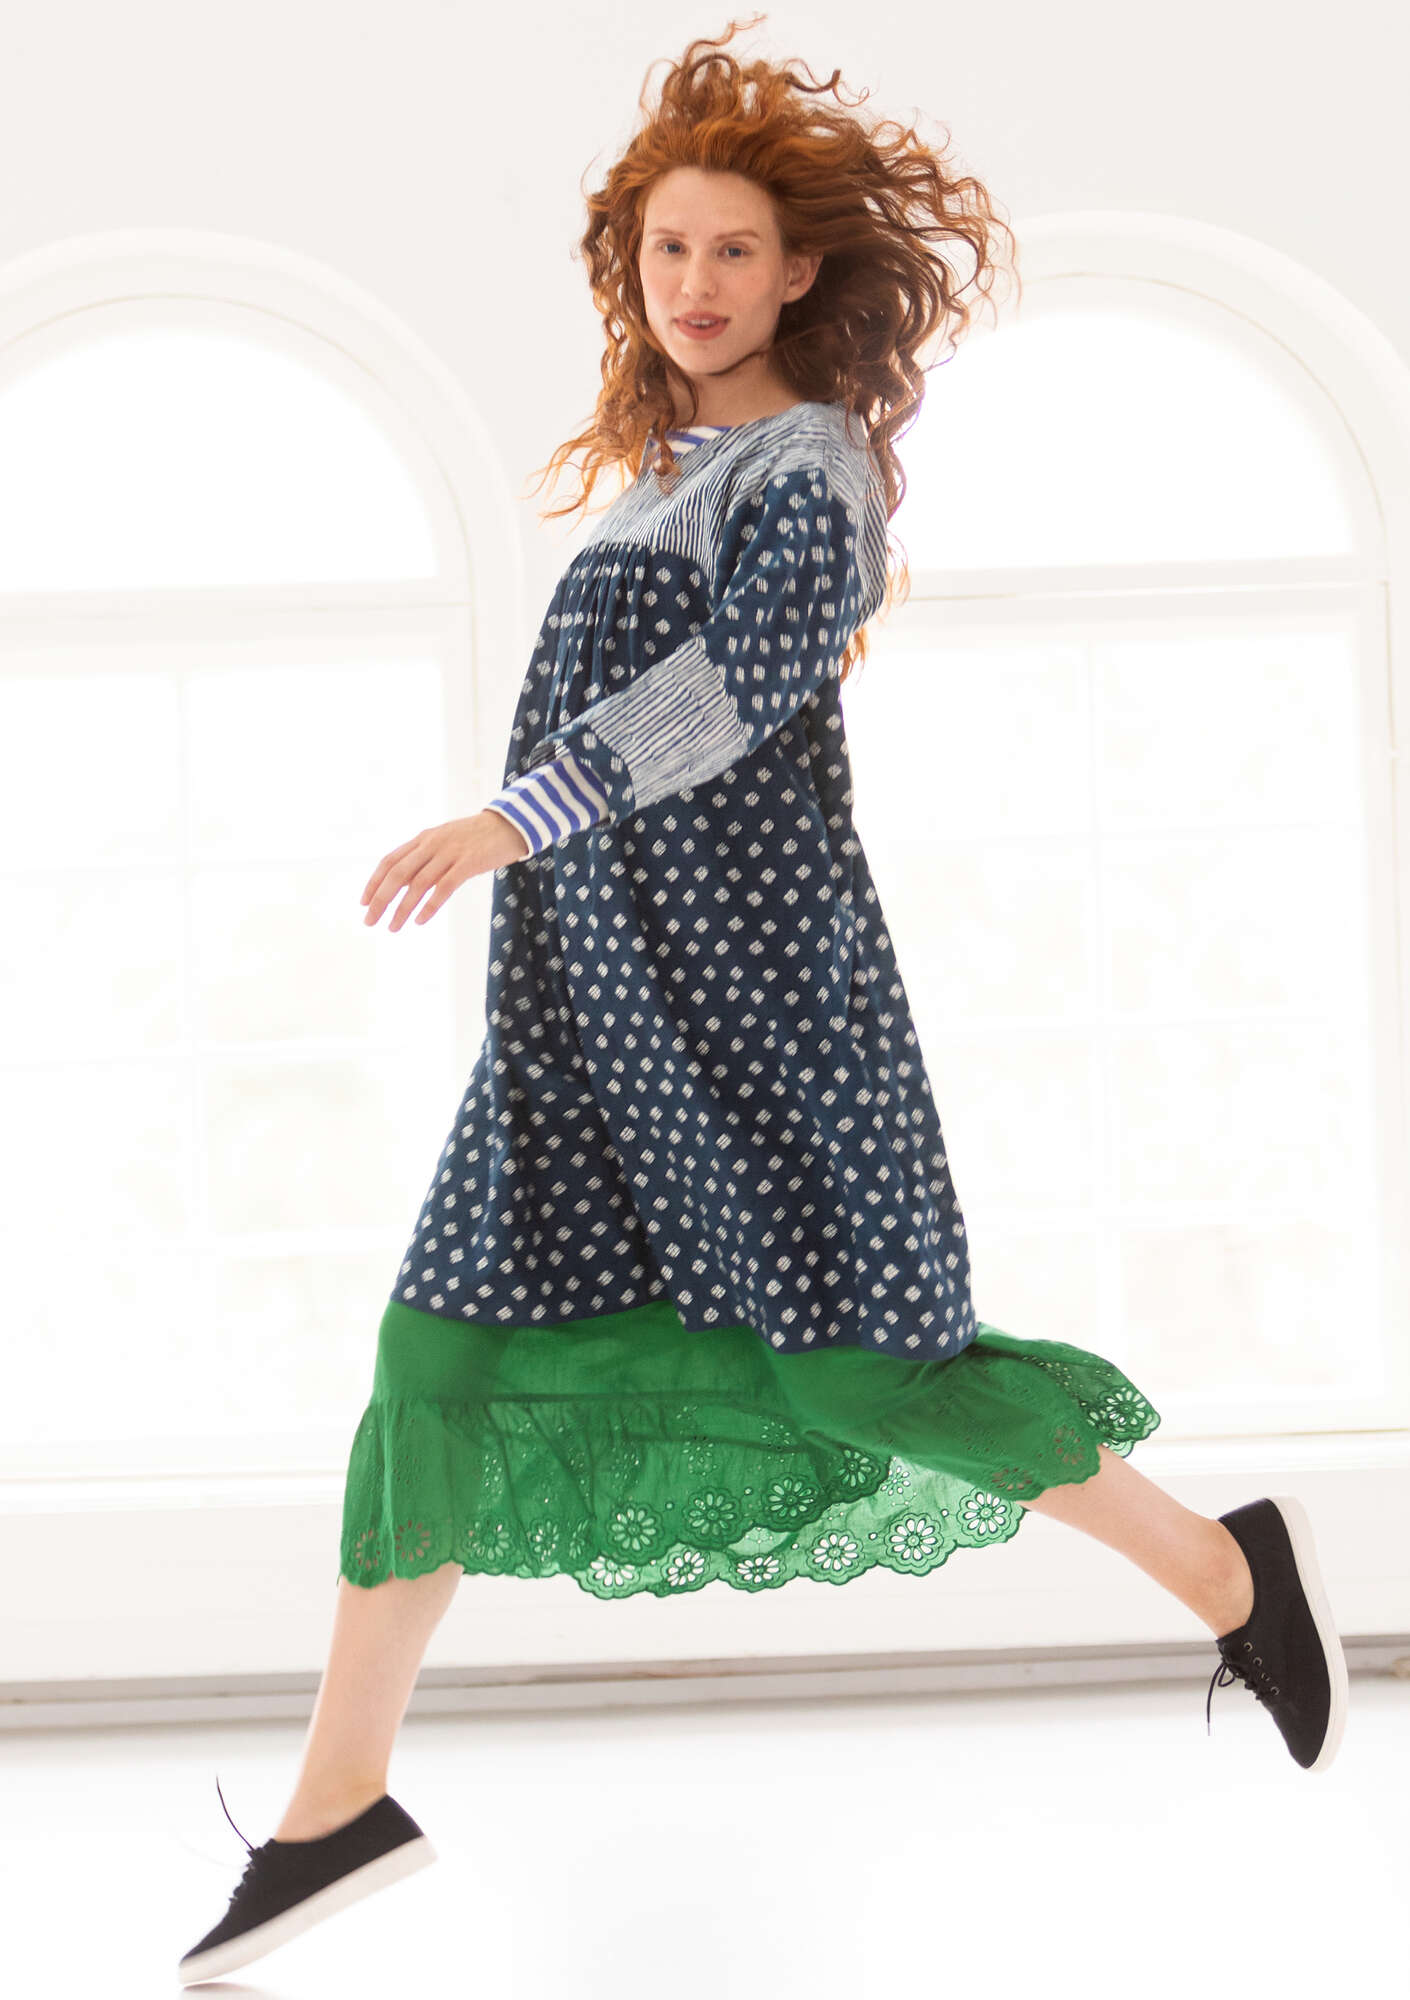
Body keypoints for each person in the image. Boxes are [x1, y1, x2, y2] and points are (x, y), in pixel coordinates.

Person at [178, 21, 1348, 1988]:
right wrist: (537, 890)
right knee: (433, 1360)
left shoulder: (811, 475)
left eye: (732, 250)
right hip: (588, 1022)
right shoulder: (666, 476)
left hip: (758, 1024)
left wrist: (505, 817)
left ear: (800, 269)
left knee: (860, 1375)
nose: (696, 283)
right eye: (667, 252)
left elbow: (733, 689)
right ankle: (336, 1802)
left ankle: (1230, 1570)